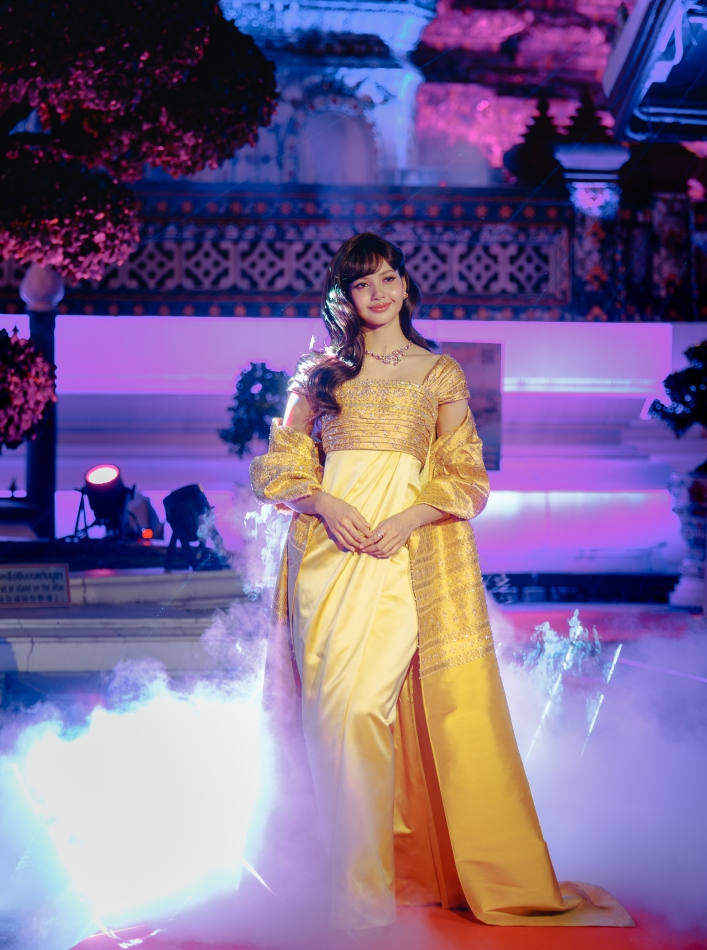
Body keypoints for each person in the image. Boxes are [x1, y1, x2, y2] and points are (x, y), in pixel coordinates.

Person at [250, 232, 631, 934]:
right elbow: (277, 467)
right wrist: (325, 503)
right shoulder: (321, 374)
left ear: (405, 285)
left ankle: (361, 908)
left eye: (388, 278)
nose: (378, 293)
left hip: (403, 561)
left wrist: (406, 519)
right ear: (345, 296)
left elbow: (465, 476)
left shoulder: (438, 372)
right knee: (329, 718)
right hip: (325, 562)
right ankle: (347, 894)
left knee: (363, 711)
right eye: (362, 283)